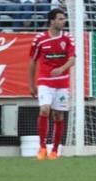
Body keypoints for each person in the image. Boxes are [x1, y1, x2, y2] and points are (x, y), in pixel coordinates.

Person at [28, 8, 75, 161]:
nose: (63, 21)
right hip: (45, 81)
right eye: (60, 19)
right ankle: (42, 148)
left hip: (62, 83)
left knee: (58, 114)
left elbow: (72, 59)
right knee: (44, 109)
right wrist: (31, 84)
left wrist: (61, 69)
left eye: (64, 19)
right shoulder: (39, 39)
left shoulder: (68, 38)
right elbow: (32, 61)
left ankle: (54, 150)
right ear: (52, 20)